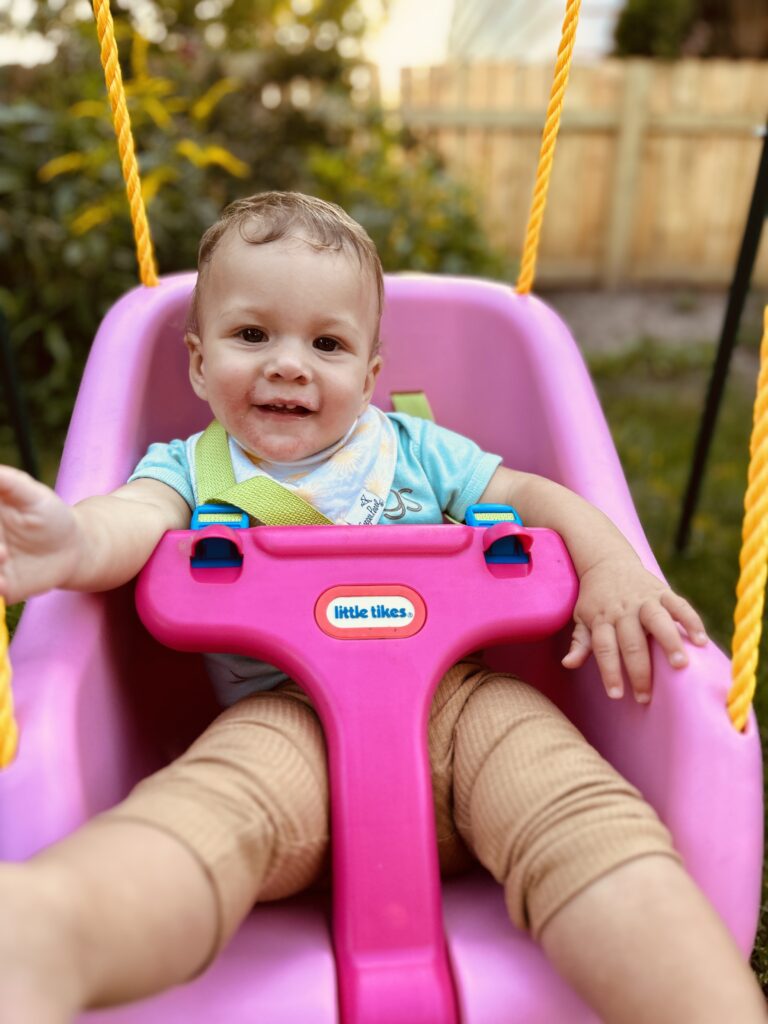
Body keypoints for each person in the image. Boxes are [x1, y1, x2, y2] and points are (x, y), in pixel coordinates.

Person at [0, 192, 764, 1024]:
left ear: (369, 376)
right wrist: (73, 543)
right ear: (197, 361)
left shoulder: (416, 449)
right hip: (289, 724)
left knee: (579, 818)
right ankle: (51, 935)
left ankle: (696, 1002)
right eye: (251, 335)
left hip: (465, 710)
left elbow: (533, 494)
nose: (288, 365)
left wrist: (612, 564)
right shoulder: (189, 470)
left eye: (326, 344)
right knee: (206, 815)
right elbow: (129, 520)